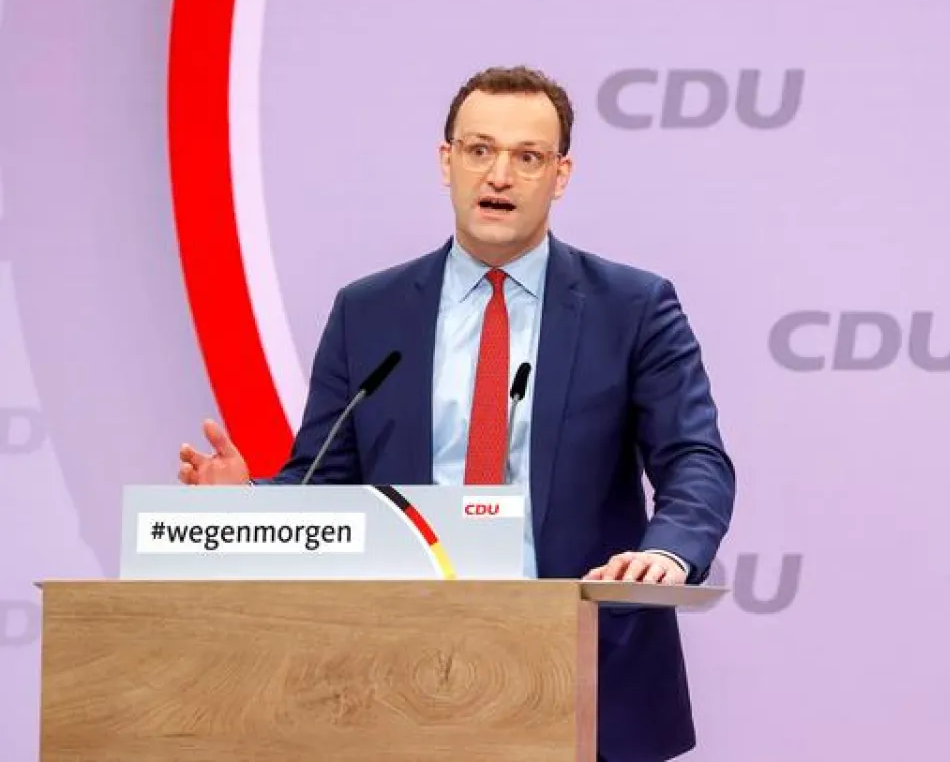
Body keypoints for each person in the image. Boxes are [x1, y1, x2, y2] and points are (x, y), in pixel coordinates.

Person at [177, 65, 736, 762]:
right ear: (447, 162)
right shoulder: (368, 312)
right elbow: (326, 484)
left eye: (527, 157)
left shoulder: (633, 307)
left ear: (560, 175)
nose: (499, 175)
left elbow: (694, 458)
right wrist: (248, 504)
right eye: (479, 150)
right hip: (401, 674)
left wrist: (667, 551)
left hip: (585, 666)